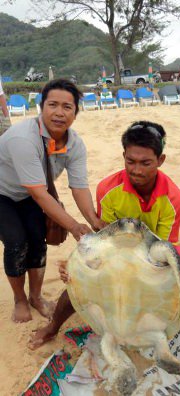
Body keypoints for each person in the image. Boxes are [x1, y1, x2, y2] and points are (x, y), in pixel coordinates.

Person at [30, 121, 180, 366]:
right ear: (124, 156)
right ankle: (53, 326)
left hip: (152, 257)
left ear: (161, 160)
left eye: (145, 163)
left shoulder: (174, 198)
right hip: (116, 255)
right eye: (130, 161)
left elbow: (168, 247)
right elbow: (104, 240)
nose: (136, 170)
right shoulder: (109, 189)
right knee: (75, 287)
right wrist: (78, 267)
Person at [0, 79, 104, 323]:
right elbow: (40, 193)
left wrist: (93, 220)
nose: (59, 113)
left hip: (29, 193)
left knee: (38, 239)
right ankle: (20, 300)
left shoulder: (75, 144)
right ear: (41, 107)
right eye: (53, 105)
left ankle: (35, 296)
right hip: (3, 193)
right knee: (16, 243)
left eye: (67, 107)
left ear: (76, 113)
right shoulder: (23, 138)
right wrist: (75, 227)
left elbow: (79, 186)